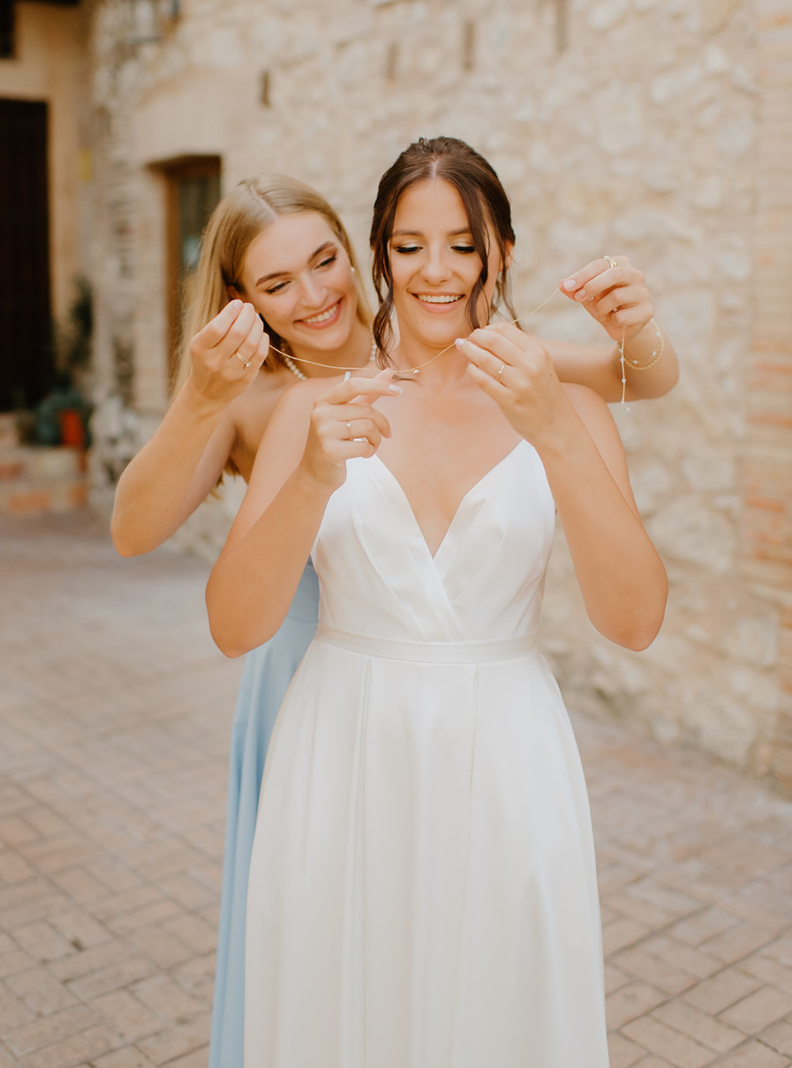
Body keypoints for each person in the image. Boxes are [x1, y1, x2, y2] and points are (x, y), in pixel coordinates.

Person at [107, 175, 679, 1068]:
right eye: (277, 284)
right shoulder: (269, 396)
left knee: (496, 988)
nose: (314, 295)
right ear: (242, 305)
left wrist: (632, 335)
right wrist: (209, 404)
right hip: (323, 696)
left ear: (353, 255)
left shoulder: (516, 370)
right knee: (327, 976)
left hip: (498, 730)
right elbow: (143, 537)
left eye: (324, 262)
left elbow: (630, 381)